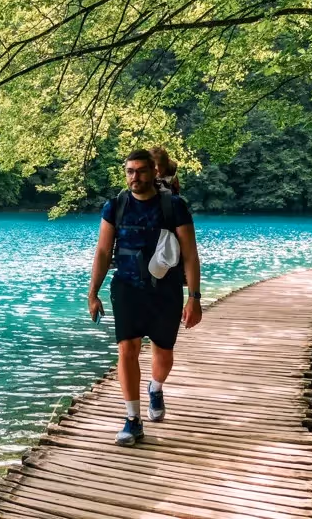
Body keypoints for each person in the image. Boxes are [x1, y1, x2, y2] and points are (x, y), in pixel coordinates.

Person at [87, 149, 202, 446]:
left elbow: (190, 253)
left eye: (140, 171)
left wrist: (194, 297)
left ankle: (156, 386)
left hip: (165, 290)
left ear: (153, 172)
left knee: (163, 353)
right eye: (129, 171)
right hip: (126, 287)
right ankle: (133, 419)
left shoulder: (174, 206)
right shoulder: (115, 206)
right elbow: (102, 251)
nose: (134, 177)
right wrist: (93, 293)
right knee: (127, 349)